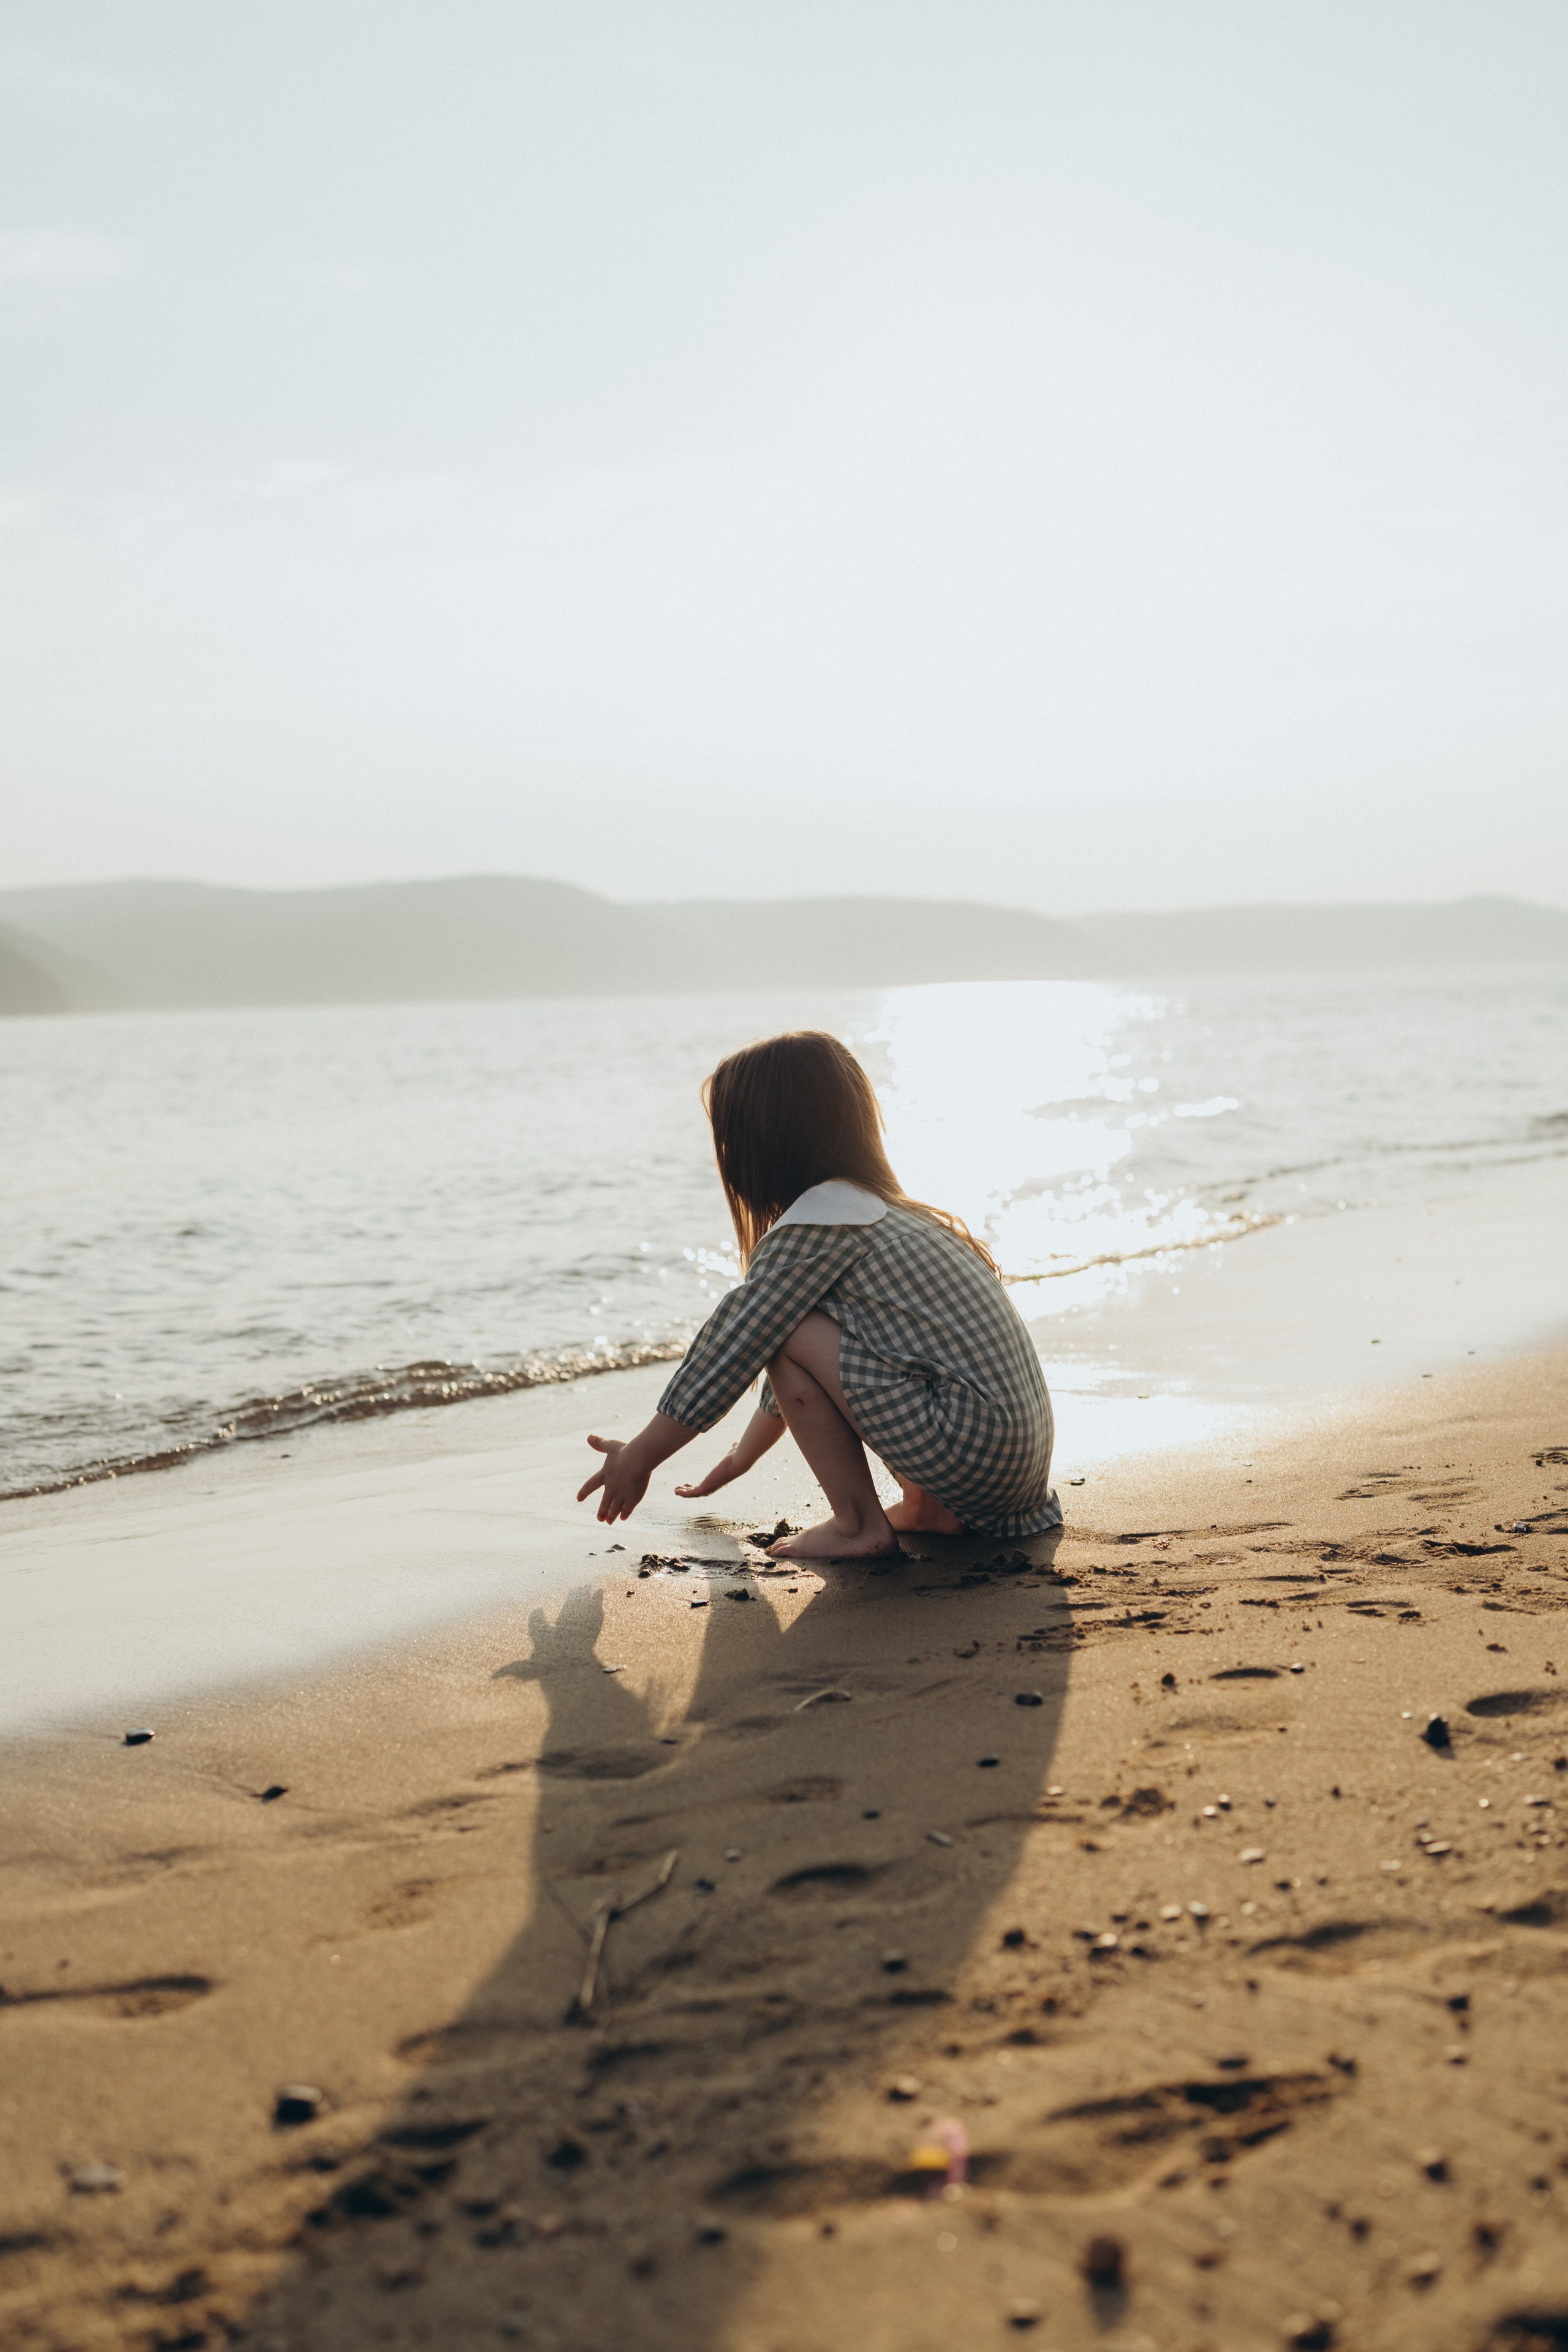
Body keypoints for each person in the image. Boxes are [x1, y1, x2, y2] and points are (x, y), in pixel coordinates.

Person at [576, 1030, 1060, 1561]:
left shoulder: (819, 1223)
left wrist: (641, 1456)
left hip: (973, 1456)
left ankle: (858, 1525)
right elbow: (819, 1359)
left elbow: (735, 1344)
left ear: (763, 1146)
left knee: (776, 1327)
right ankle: (930, 1509)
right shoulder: (882, 1212)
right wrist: (741, 1458)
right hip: (1014, 1468)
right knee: (791, 1324)